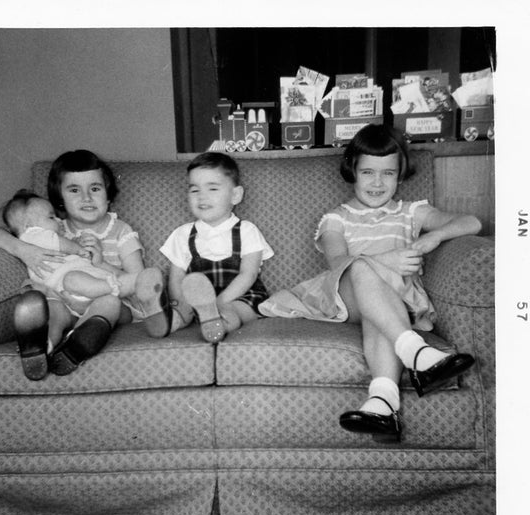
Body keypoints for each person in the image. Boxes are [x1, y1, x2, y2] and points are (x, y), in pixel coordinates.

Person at [258, 124, 481, 441]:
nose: (378, 182)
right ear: (353, 171)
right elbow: (338, 263)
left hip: (394, 301)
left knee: (380, 317)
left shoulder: (412, 212)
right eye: (368, 173)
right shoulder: (337, 218)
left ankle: (382, 403)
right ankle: (416, 354)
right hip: (346, 295)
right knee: (362, 269)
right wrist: (386, 261)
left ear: (400, 174)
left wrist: (434, 237)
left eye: (388, 173)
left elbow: (472, 222)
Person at [0, 149, 148, 380]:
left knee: (108, 302)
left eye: (95, 188)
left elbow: (140, 283)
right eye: (74, 190)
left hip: (113, 303)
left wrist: (100, 263)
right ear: (59, 199)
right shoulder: (52, 227)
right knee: (55, 309)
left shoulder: (121, 231)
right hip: (66, 302)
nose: (86, 198)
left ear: (108, 196)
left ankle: (78, 342)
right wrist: (24, 249)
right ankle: (44, 346)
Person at [135, 152, 273, 343]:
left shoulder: (247, 230)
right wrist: (182, 303)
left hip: (237, 297)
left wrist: (220, 303)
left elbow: (247, 275)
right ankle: (165, 321)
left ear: (235, 195)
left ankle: (218, 324)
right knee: (182, 310)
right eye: (194, 190)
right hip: (195, 303)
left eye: (212, 189)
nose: (202, 197)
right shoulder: (183, 234)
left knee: (232, 311)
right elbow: (177, 278)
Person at [1, 190, 139, 317]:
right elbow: (62, 244)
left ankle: (49, 342)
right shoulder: (32, 235)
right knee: (72, 278)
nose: (59, 220)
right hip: (69, 289)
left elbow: (61, 243)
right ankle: (118, 286)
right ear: (28, 226)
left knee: (108, 304)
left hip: (75, 297)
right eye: (51, 217)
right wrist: (79, 249)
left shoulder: (41, 237)